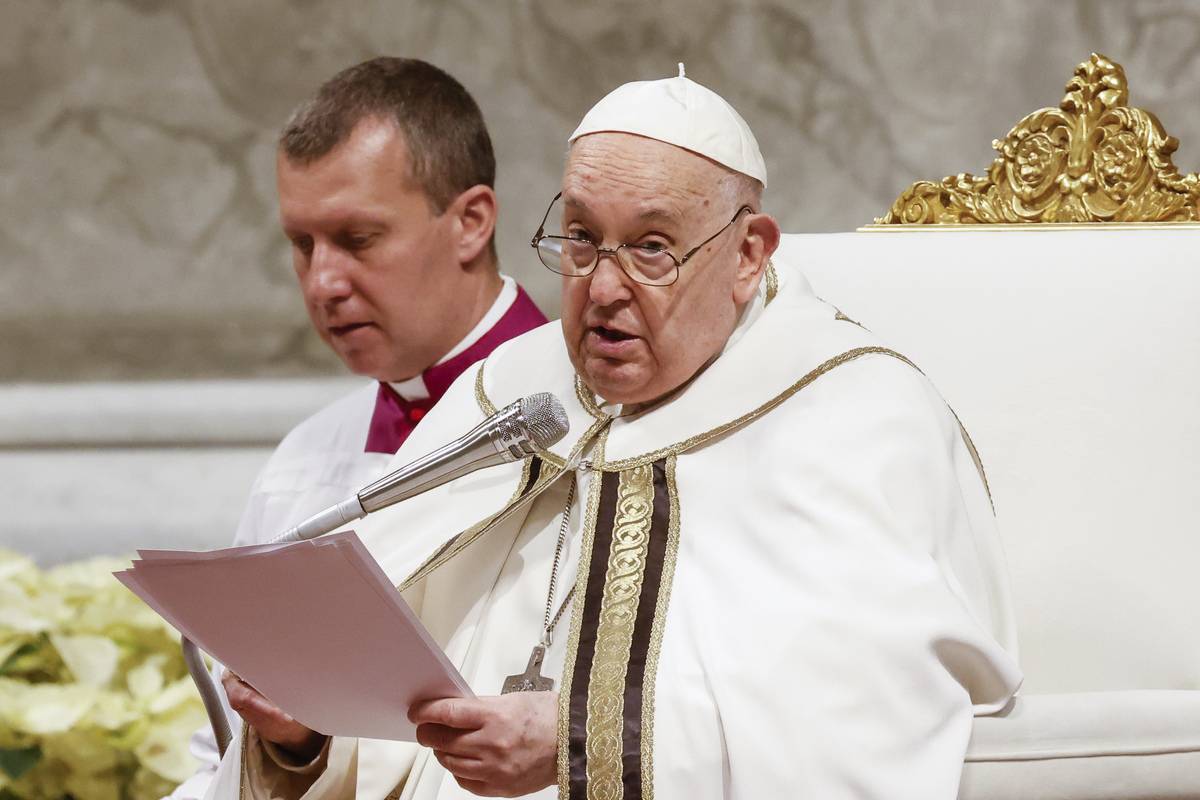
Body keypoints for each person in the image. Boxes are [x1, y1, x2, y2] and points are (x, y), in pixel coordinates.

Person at [206, 67, 1022, 800]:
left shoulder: (851, 412)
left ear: (748, 253)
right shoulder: (510, 393)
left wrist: (574, 743)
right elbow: (405, 721)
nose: (601, 288)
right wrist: (307, 732)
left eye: (652, 249)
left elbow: (873, 715)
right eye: (584, 239)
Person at [167, 57, 547, 800]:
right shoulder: (308, 457)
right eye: (302, 245)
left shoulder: (599, 428)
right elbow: (217, 752)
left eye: (357, 239)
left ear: (471, 221)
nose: (322, 283)